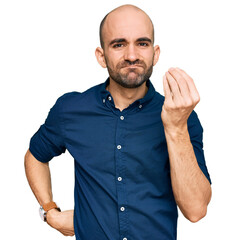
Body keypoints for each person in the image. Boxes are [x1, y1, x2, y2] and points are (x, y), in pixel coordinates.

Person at [24, 4, 212, 240]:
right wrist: (49, 211)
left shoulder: (182, 116)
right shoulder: (70, 109)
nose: (132, 55)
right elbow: (35, 155)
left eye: (142, 43)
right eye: (119, 44)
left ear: (156, 53)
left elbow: (196, 210)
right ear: (101, 56)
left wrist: (175, 128)